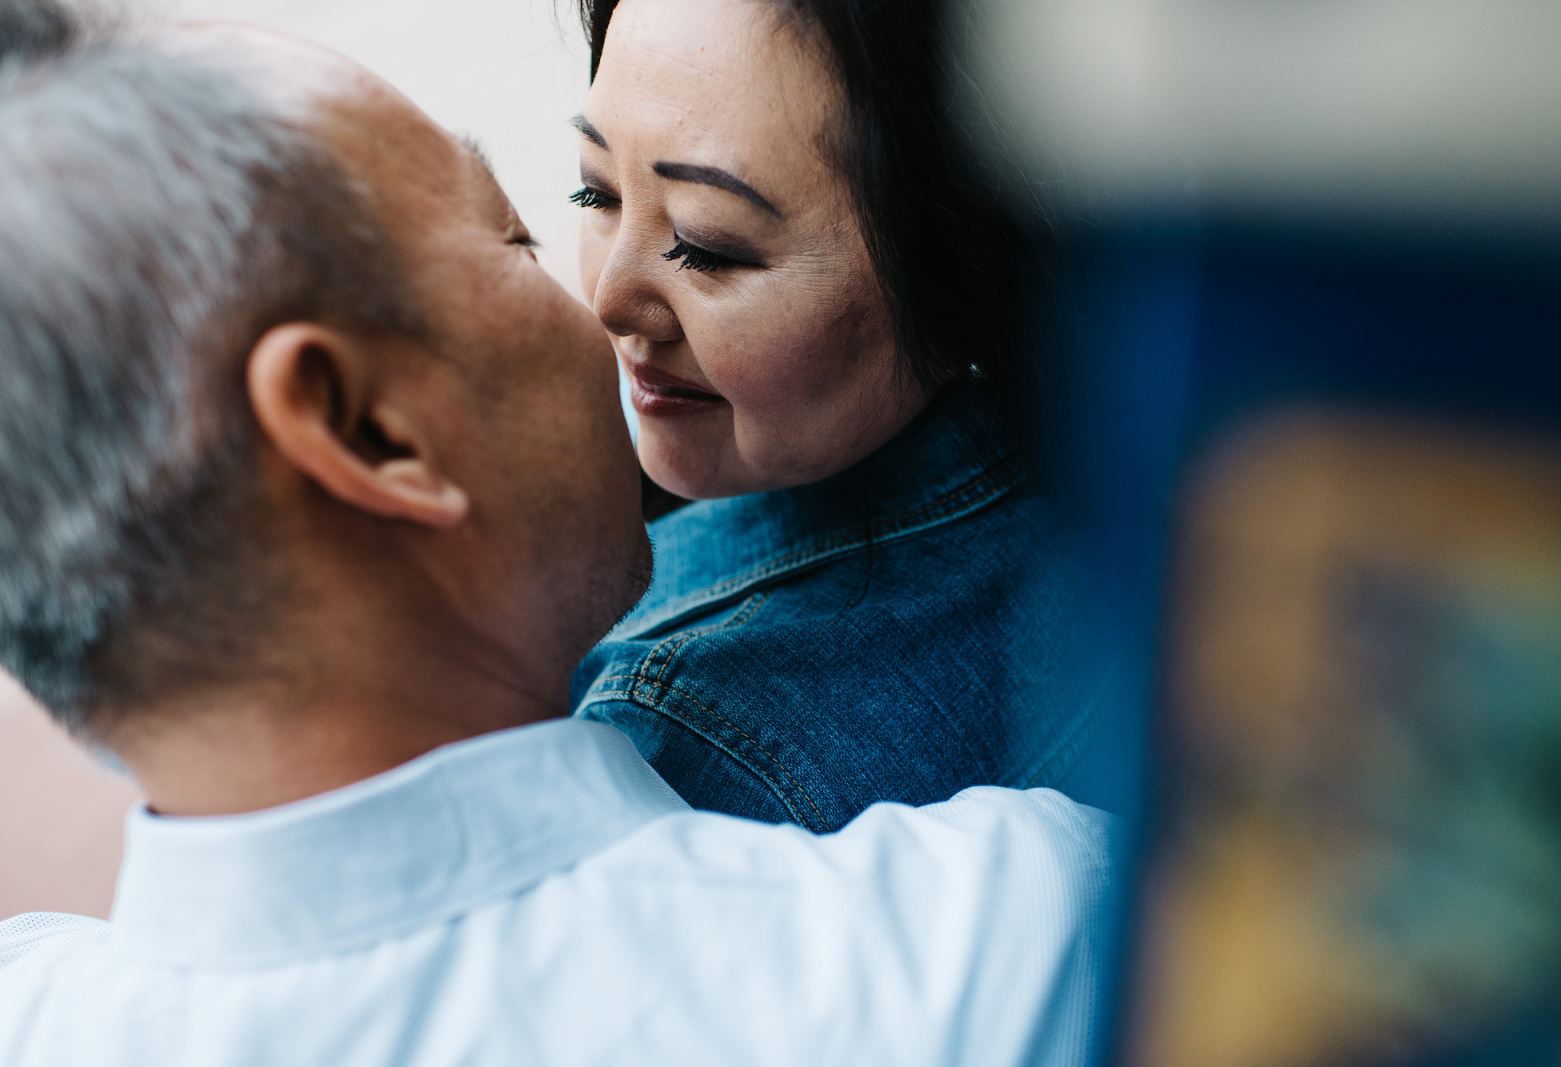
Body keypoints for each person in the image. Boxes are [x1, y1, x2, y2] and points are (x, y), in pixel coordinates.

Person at [0, 13, 1118, 1066]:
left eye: (704, 242)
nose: (607, 303)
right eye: (515, 237)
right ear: (368, 428)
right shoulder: (976, 949)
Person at [568, 0, 1117, 832]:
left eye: (709, 246)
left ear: (955, 254)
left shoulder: (687, 741)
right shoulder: (1131, 497)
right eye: (597, 190)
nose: (611, 298)